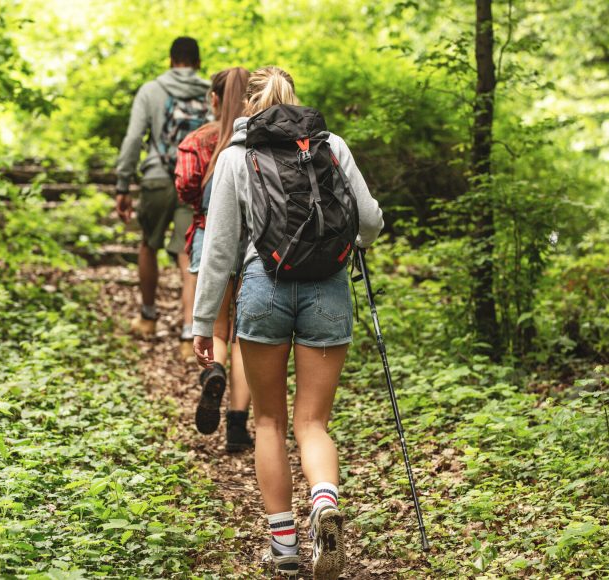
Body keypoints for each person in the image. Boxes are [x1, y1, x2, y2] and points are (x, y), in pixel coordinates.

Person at [191, 67, 383, 579]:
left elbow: (219, 252)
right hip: (327, 290)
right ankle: (324, 502)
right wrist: (352, 247)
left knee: (270, 422)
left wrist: (203, 321)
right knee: (313, 422)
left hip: (263, 291)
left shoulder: (235, 156)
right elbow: (369, 221)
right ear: (294, 98)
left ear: (247, 104)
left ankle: (284, 547)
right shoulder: (331, 145)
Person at [175, 67, 254, 451]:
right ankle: (237, 427)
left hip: (211, 238)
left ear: (214, 99)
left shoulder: (199, 140)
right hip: (256, 245)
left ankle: (213, 373)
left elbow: (185, 186)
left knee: (217, 329)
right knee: (245, 336)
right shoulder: (262, 142)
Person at [114, 37, 209, 353]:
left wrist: (123, 185)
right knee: (187, 252)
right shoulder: (211, 92)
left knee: (148, 244)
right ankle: (188, 334)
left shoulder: (151, 90)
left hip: (156, 177)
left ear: (171, 60)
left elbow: (132, 139)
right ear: (197, 62)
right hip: (193, 180)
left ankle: (148, 317)